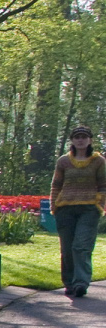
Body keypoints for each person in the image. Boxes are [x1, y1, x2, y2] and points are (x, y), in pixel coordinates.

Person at [51, 124, 103, 298]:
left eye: (84, 137)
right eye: (77, 137)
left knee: (81, 246)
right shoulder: (63, 161)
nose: (80, 140)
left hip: (89, 209)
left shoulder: (99, 161)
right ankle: (69, 282)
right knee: (66, 248)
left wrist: (100, 205)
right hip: (65, 209)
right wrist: (54, 206)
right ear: (72, 140)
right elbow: (56, 185)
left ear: (90, 140)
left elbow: (104, 186)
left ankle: (81, 283)